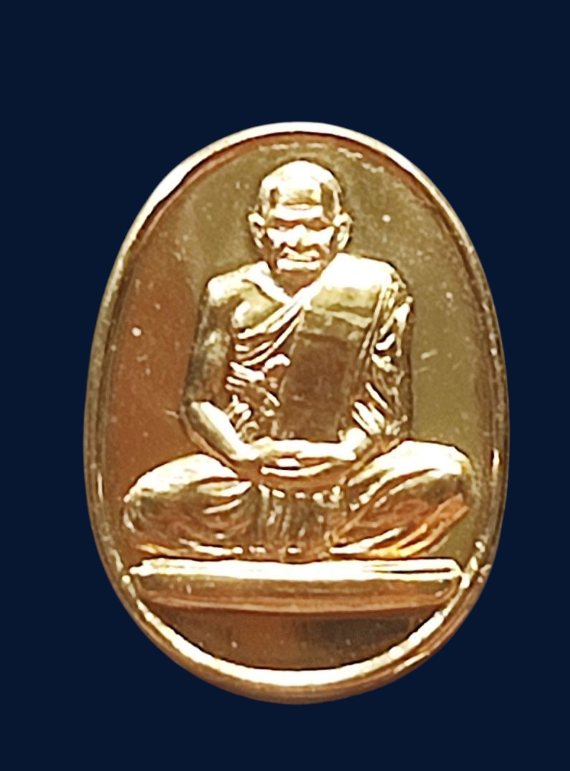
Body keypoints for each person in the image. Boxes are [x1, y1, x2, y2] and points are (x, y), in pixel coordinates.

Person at [123, 160, 472, 563]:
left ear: (340, 232)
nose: (299, 240)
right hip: (250, 478)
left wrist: (346, 457)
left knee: (450, 477)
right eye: (284, 225)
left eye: (314, 226)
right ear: (259, 230)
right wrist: (242, 456)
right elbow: (198, 402)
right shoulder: (228, 294)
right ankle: (312, 542)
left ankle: (309, 541)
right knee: (145, 504)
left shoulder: (374, 288)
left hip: (346, 477)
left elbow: (387, 411)